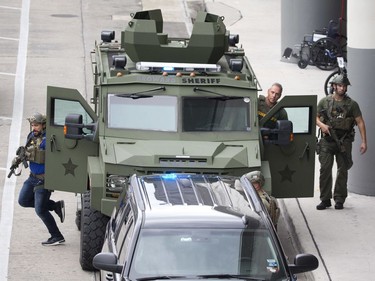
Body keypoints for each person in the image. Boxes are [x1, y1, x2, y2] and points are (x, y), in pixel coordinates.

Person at [316, 74, 367, 210]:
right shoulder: (324, 102)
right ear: (334, 86)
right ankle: (325, 199)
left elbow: (360, 122)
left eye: (344, 86)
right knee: (325, 169)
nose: (342, 88)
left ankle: (339, 198)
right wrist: (322, 125)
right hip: (327, 140)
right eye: (339, 85)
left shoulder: (351, 105)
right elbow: (315, 117)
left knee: (342, 170)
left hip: (344, 142)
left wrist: (364, 141)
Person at [16, 112, 66, 245]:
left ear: (43, 125)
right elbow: (28, 151)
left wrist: (32, 154)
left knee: (40, 210)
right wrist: (20, 157)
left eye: (37, 125)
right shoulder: (31, 136)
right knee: (23, 200)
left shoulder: (49, 140)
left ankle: (57, 236)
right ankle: (54, 205)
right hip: (32, 177)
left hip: (44, 179)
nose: (34, 128)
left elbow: (51, 156)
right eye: (32, 125)